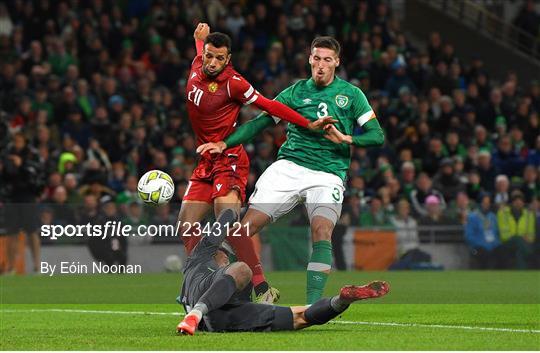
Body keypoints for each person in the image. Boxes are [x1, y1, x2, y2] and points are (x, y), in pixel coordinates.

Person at [197, 36, 385, 304]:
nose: (321, 65)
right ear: (310, 59)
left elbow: (377, 135)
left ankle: (311, 306)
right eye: (317, 58)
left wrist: (347, 139)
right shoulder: (294, 93)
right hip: (289, 168)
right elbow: (259, 124)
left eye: (327, 60)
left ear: (337, 62)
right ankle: (229, 292)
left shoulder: (352, 95)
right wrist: (224, 142)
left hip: (328, 174)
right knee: (242, 230)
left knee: (322, 231)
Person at [177, 24, 333, 303]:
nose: (212, 63)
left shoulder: (234, 82)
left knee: (226, 220)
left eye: (219, 58)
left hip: (229, 157)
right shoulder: (198, 62)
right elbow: (202, 49)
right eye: (209, 56)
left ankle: (262, 288)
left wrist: (308, 123)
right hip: (205, 160)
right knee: (186, 225)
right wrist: (199, 42)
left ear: (229, 59)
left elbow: (270, 106)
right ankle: (205, 276)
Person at [176, 209, 389, 335]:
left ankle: (341, 300)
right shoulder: (200, 255)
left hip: (224, 319)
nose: (226, 256)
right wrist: (232, 216)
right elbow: (228, 214)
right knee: (242, 268)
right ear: (216, 252)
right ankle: (196, 313)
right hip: (209, 307)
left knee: (301, 317)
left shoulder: (202, 270)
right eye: (224, 253)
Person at [465, 193, 501, 269]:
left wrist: (496, 244)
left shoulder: (492, 217)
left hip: (492, 247)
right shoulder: (473, 217)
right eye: (484, 203)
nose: (486, 205)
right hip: (476, 248)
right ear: (480, 203)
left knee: (501, 252)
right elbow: (469, 236)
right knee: (482, 253)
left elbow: (497, 233)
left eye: (488, 203)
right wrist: (482, 244)